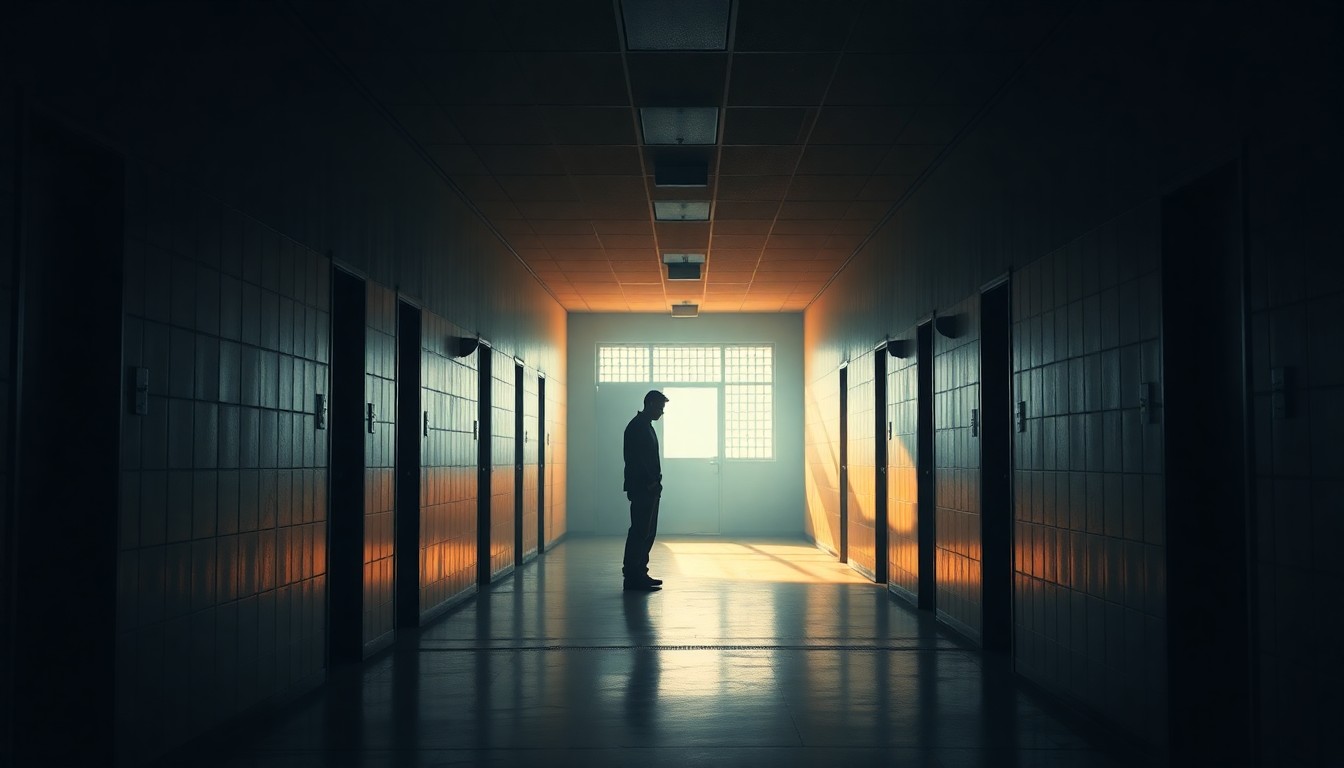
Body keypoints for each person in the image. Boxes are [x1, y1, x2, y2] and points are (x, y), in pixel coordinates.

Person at [622, 389, 668, 591]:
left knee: (647, 532)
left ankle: (640, 572)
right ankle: (633, 576)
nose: (662, 412)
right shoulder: (638, 427)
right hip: (643, 488)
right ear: (650, 404)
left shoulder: (644, 426)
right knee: (640, 531)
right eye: (660, 408)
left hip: (649, 487)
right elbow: (638, 461)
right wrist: (650, 482)